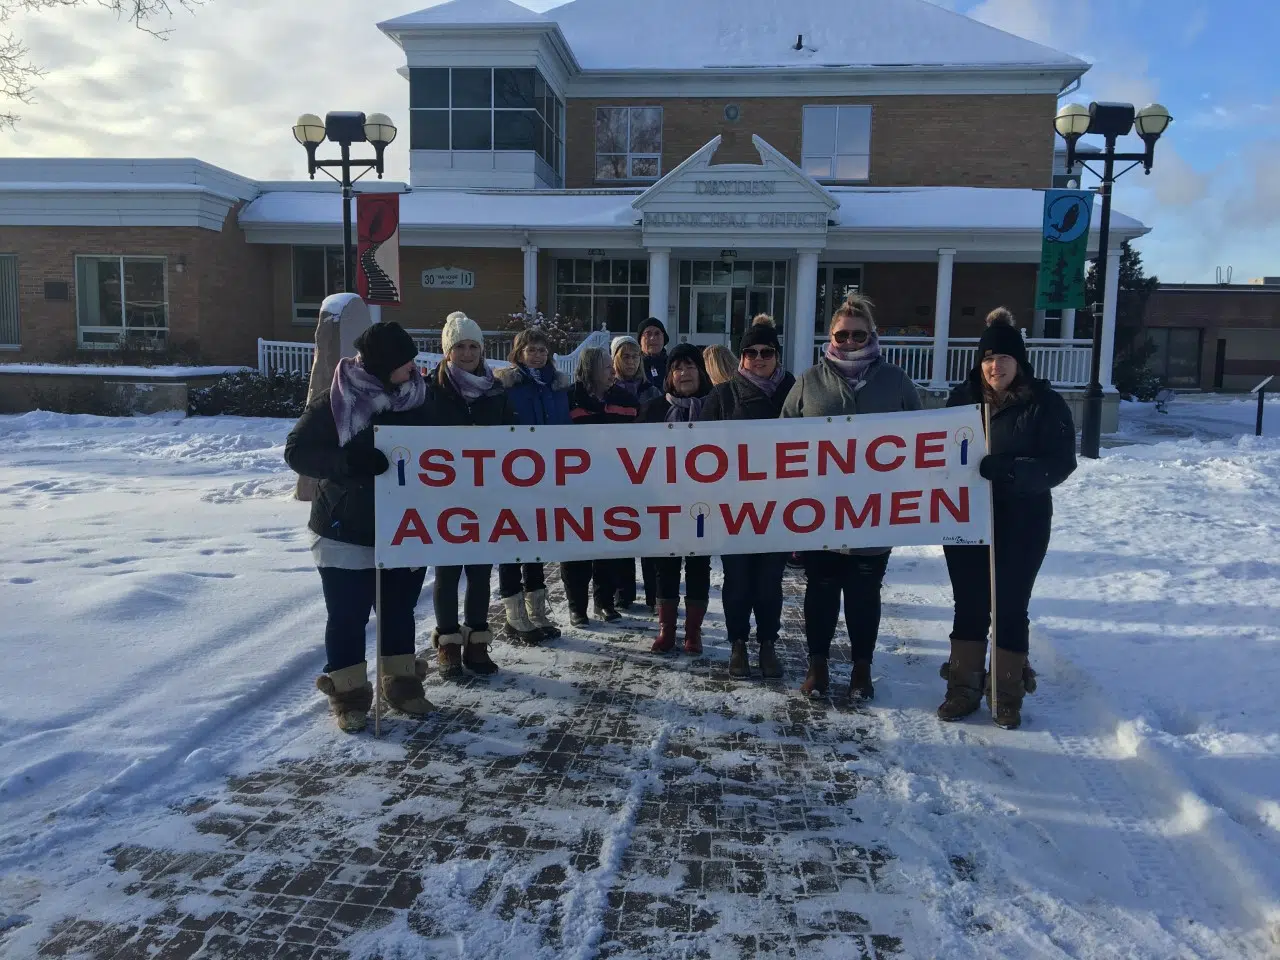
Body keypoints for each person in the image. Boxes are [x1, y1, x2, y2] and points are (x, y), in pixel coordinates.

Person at [284, 321, 434, 733]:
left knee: (399, 610)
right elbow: (297, 451)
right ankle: (348, 695)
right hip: (344, 527)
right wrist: (346, 464)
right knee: (348, 615)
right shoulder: (335, 401)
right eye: (404, 364)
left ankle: (402, 684)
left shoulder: (420, 398)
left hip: (405, 527)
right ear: (383, 366)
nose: (413, 371)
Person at [781, 293, 922, 700]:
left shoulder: (895, 381)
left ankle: (862, 667)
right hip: (820, 510)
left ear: (871, 336)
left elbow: (924, 436)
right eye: (842, 335)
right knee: (820, 588)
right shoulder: (809, 381)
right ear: (831, 336)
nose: (849, 341)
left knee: (864, 592)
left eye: (858, 335)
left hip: (874, 511)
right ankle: (818, 664)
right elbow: (782, 438)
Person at [938, 318, 1076, 729]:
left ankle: (1007, 691)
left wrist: (1013, 470)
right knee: (970, 603)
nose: (994, 366)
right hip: (967, 517)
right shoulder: (961, 402)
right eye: (987, 358)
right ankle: (963, 686)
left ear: (1019, 361)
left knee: (1011, 606)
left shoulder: (1045, 404)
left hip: (1023, 520)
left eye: (1003, 357)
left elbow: (1061, 462)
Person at [700, 317, 796, 679]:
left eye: (766, 352)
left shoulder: (794, 390)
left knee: (770, 581)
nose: (758, 358)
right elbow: (701, 452)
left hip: (780, 505)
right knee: (738, 579)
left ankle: (768, 643)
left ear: (777, 355)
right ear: (741, 357)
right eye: (751, 352)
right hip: (735, 506)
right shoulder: (724, 394)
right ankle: (738, 643)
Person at [429, 311, 516, 680]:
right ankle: (448, 644)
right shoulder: (431, 392)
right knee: (447, 572)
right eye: (459, 346)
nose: (467, 353)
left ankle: (477, 643)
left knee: (480, 571)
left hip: (485, 495)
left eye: (473, 346)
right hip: (443, 495)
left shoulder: (496, 392)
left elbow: (514, 439)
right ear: (447, 351)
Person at [495, 327, 572, 644]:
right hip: (514, 476)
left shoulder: (557, 386)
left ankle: (536, 610)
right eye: (532, 350)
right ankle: (515, 615)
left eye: (542, 350)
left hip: (547, 476)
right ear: (519, 353)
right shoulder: (507, 387)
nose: (538, 355)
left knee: (537, 541)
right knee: (513, 542)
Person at [642, 343, 713, 654]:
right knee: (665, 567)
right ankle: (666, 629)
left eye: (691, 367)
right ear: (669, 376)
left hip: (704, 504)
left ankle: (693, 632)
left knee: (699, 565)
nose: (684, 373)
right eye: (677, 368)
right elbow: (633, 457)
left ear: (701, 372)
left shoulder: (716, 408)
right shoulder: (652, 410)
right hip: (665, 503)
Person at [564, 346, 641, 625]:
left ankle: (604, 601)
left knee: (608, 546)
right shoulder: (569, 399)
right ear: (591, 369)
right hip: (576, 487)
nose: (613, 371)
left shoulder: (626, 400)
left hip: (613, 486)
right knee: (575, 548)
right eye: (607, 367)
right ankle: (577, 606)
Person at [609, 335, 661, 612]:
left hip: (649, 472)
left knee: (650, 533)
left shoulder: (651, 392)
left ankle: (655, 593)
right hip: (617, 473)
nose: (630, 361)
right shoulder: (607, 392)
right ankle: (623, 591)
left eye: (634, 356)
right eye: (625, 356)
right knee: (623, 532)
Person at [638, 316, 669, 389]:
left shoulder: (672, 365)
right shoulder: (633, 365)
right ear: (640, 340)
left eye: (657, 334)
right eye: (648, 334)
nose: (653, 338)